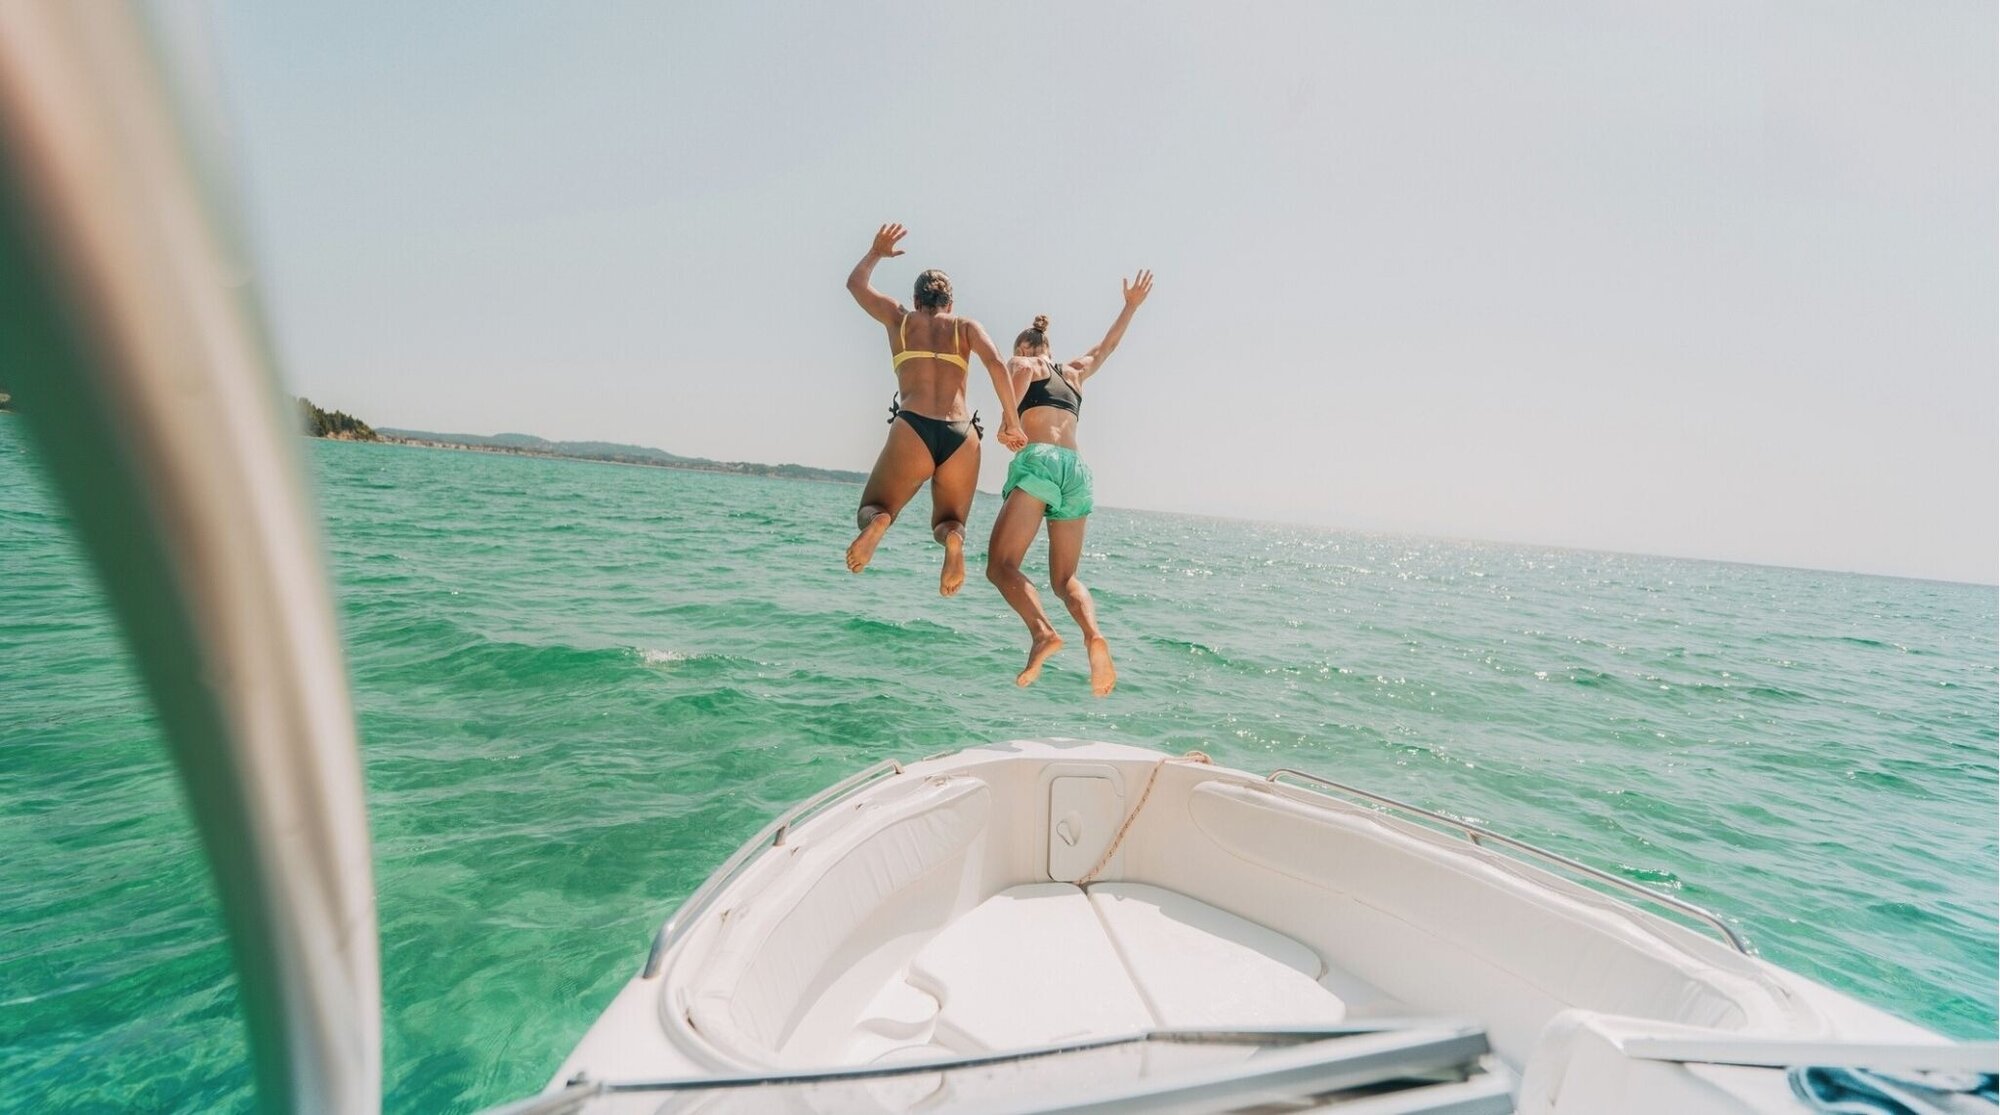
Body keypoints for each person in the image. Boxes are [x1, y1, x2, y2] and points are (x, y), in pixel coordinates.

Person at [986, 271, 1152, 696]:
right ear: (1050, 347)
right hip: (1077, 471)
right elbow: (1107, 347)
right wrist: (1130, 305)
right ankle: (1093, 635)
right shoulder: (1074, 371)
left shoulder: (1023, 362)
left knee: (1001, 566)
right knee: (1065, 580)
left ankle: (1042, 633)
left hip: (1040, 462)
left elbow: (1018, 380)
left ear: (1024, 347)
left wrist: (1008, 423)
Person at [843, 224, 1026, 595]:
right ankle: (954, 545)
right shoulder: (965, 326)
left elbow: (856, 285)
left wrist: (876, 252)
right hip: (962, 433)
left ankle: (880, 524)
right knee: (949, 522)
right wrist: (1012, 420)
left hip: (913, 426)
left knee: (874, 507)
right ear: (951, 304)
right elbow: (995, 364)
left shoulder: (900, 318)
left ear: (915, 299)